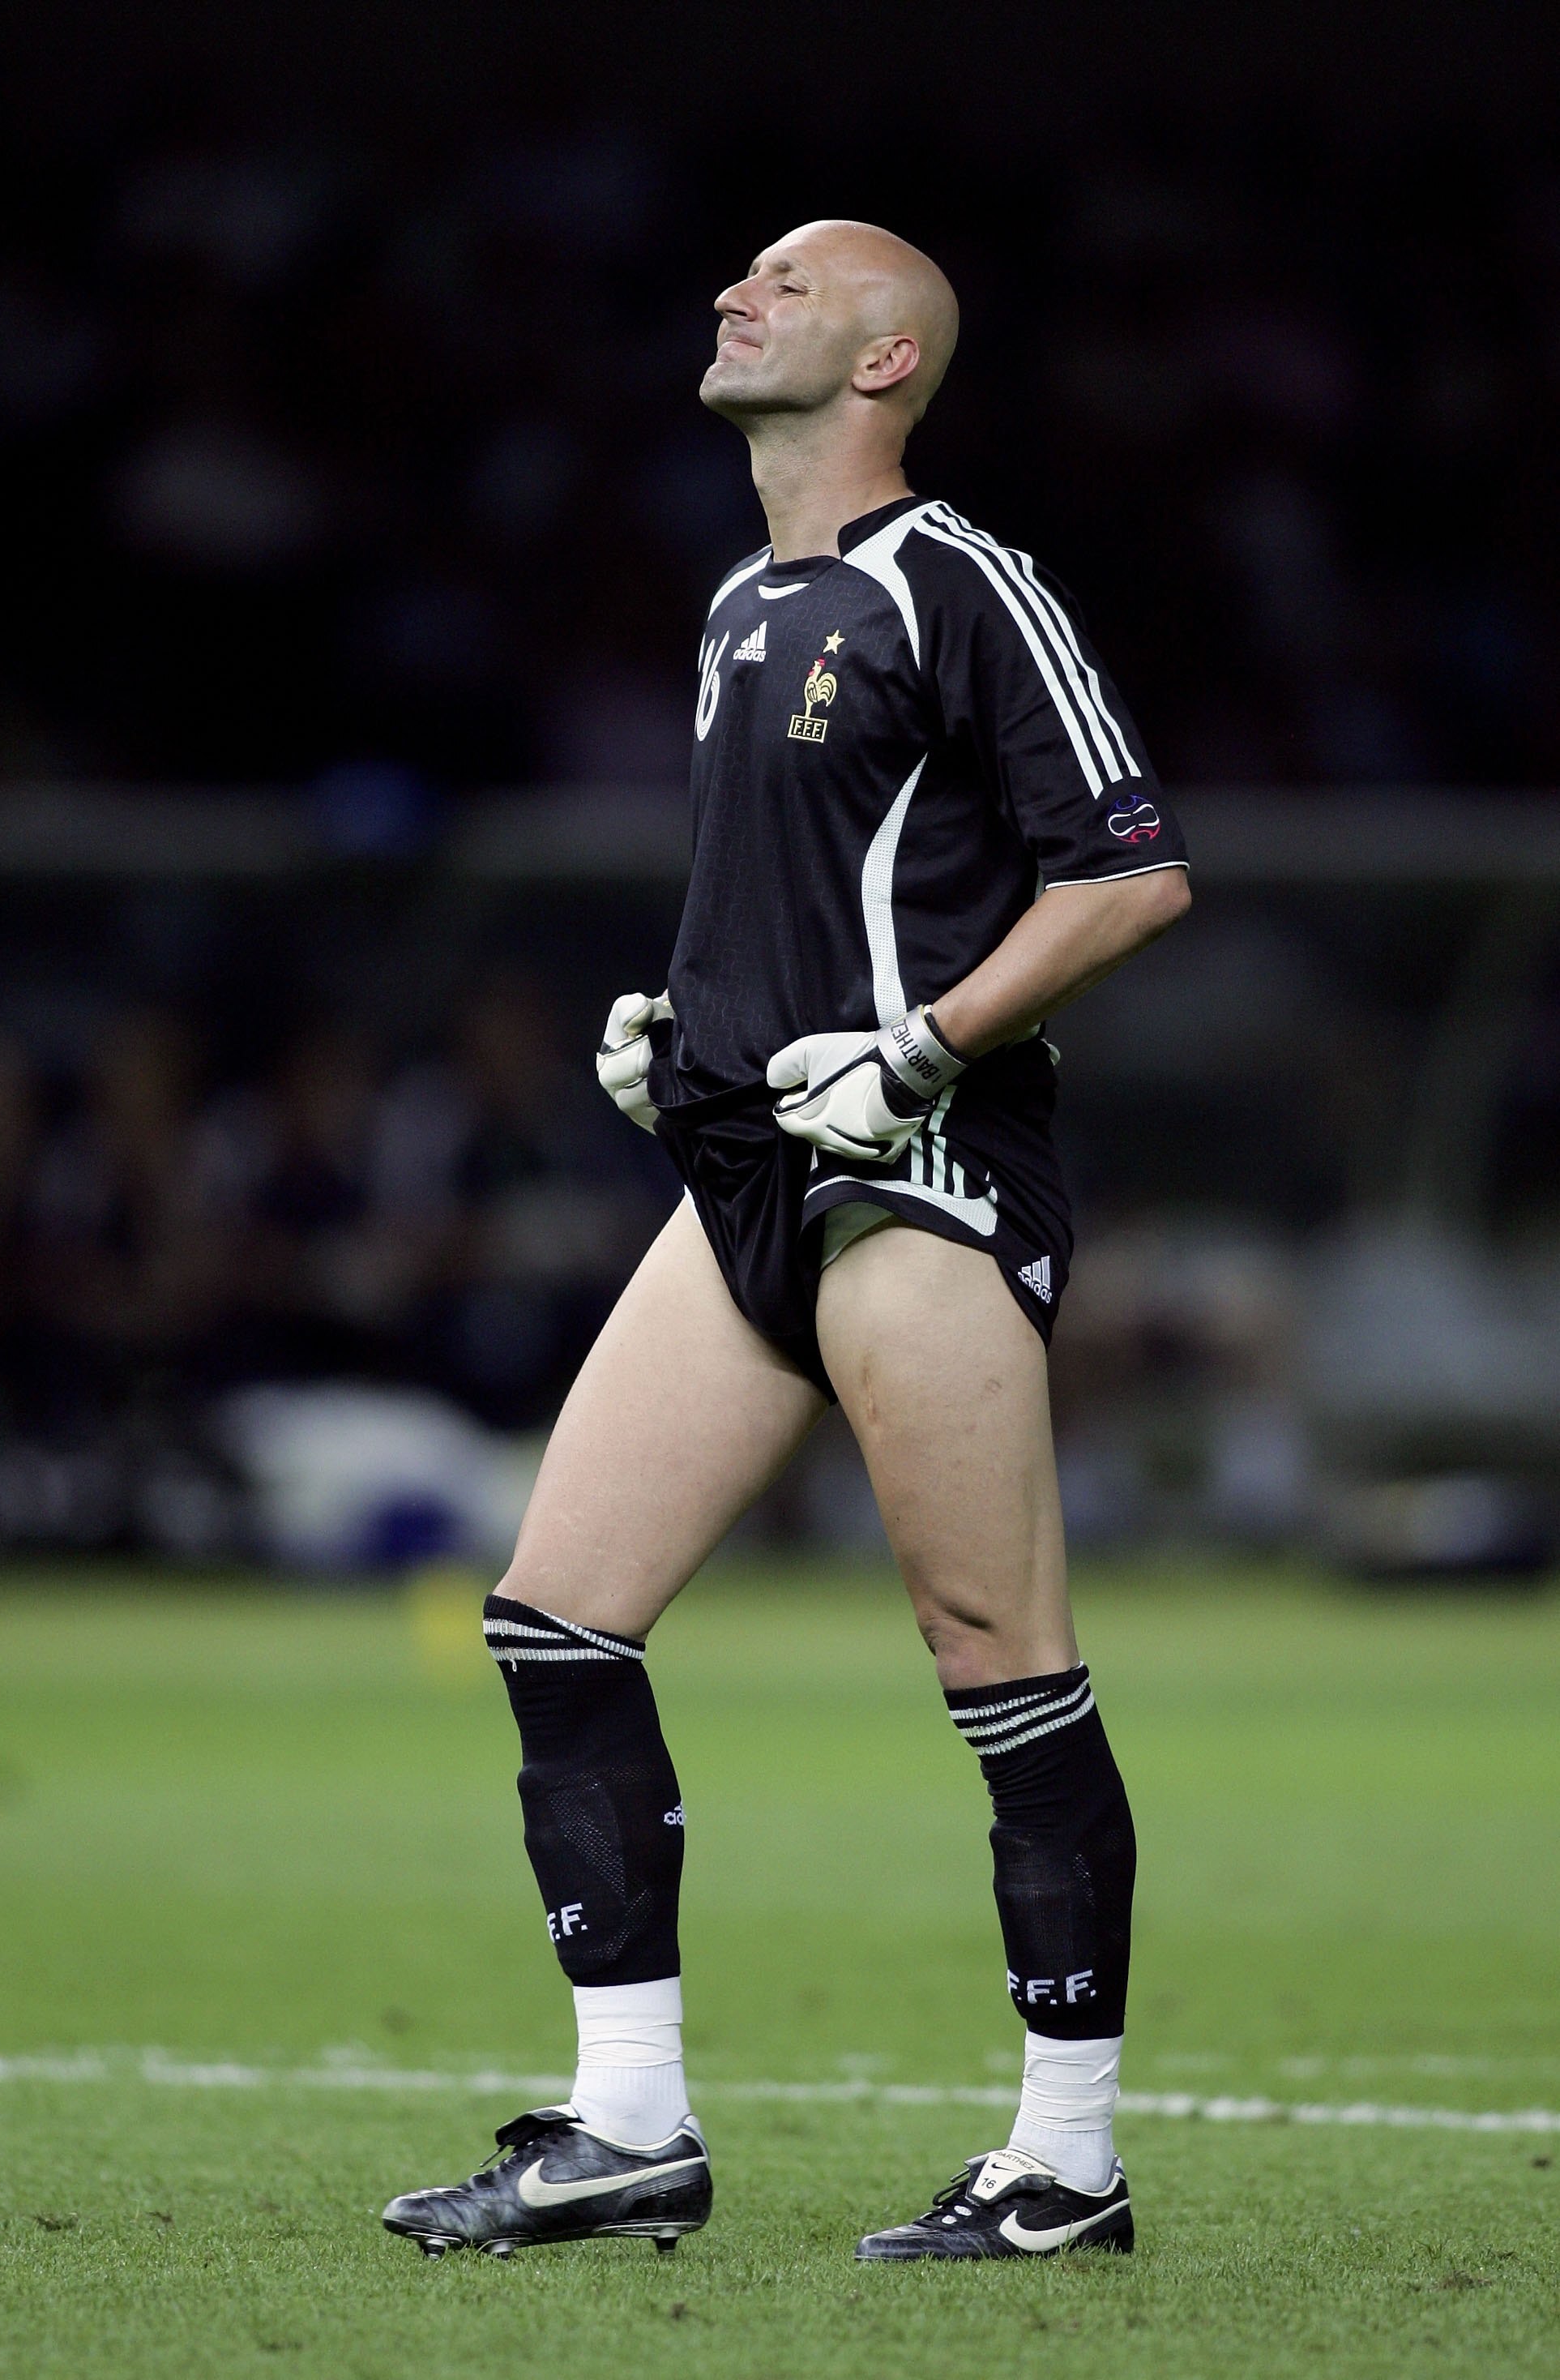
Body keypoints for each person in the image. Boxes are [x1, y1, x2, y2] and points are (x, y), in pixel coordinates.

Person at [383, 219, 1190, 2266]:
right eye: (740, 275)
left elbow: (1128, 876)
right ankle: (628, 2126)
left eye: (792, 284)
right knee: (553, 1621)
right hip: (745, 1173)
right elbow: (804, 887)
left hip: (913, 1171)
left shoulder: (962, 578)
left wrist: (916, 1044)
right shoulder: (746, 598)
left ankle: (1064, 2167)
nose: (738, 294)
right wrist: (687, 1034)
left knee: (992, 1662)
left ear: (887, 353)